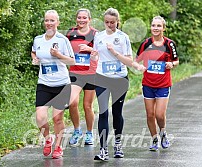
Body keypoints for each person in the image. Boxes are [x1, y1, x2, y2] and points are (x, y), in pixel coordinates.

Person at [92, 8, 143, 161]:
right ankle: (103, 150)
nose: (109, 25)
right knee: (102, 112)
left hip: (119, 79)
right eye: (106, 22)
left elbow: (129, 61)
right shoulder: (98, 36)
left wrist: (114, 52)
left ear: (117, 22)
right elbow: (96, 55)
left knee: (117, 112)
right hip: (101, 77)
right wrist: (94, 56)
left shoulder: (123, 37)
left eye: (112, 23)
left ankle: (118, 144)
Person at [31, 10, 75, 159]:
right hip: (44, 83)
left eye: (52, 20)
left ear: (58, 22)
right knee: (40, 117)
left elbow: (72, 61)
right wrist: (35, 59)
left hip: (61, 84)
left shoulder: (63, 40)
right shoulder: (38, 39)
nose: (49, 23)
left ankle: (58, 147)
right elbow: (34, 52)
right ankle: (48, 139)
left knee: (57, 119)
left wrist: (58, 55)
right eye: (47, 20)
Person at [133, 16, 179, 151]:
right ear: (150, 27)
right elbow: (136, 60)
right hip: (148, 84)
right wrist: (139, 67)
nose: (156, 28)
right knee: (150, 114)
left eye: (159, 26)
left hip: (163, 84)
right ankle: (154, 139)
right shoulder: (146, 44)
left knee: (159, 114)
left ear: (163, 28)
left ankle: (163, 132)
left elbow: (176, 60)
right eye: (153, 25)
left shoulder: (169, 44)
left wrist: (172, 64)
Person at [66, 8, 98, 146]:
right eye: (79, 17)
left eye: (84, 18)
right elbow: (64, 49)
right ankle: (77, 130)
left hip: (91, 73)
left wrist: (90, 49)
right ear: (76, 19)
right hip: (75, 73)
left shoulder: (95, 34)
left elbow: (102, 52)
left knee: (87, 106)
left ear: (89, 20)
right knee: (72, 103)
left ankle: (90, 133)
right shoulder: (71, 33)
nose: (81, 20)